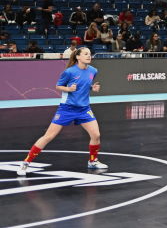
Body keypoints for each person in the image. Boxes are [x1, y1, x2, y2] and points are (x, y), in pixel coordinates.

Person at [16, 47, 106, 176]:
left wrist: (92, 87)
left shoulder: (93, 70)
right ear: (78, 57)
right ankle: (26, 163)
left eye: (90, 54)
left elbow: (84, 84)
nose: (89, 56)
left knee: (96, 135)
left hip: (84, 109)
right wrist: (68, 89)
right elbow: (58, 86)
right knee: (48, 136)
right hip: (67, 109)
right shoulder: (69, 72)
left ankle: (92, 161)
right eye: (86, 54)